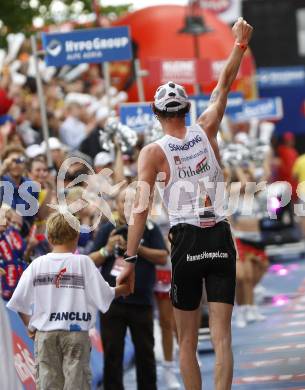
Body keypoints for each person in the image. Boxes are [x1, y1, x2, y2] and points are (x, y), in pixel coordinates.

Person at [118, 18, 253, 390]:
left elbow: (140, 209)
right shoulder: (206, 126)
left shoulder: (153, 152)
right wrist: (239, 45)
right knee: (223, 338)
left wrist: (129, 260)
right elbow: (223, 84)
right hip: (220, 236)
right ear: (186, 111)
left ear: (158, 115)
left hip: (187, 242)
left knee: (187, 342)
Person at [6, 211, 130, 390]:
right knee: (77, 385)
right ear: (77, 236)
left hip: (45, 334)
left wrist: (30, 327)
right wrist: (124, 289)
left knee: (48, 384)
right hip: (76, 335)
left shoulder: (37, 265)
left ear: (48, 237)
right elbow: (104, 295)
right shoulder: (83, 263)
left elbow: (18, 302)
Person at [90, 188, 168, 390]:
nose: (129, 206)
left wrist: (136, 248)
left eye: (134, 201)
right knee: (112, 354)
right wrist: (107, 248)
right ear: (117, 205)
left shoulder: (149, 228)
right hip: (112, 301)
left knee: (145, 353)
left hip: (141, 301)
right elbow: (89, 260)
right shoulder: (108, 229)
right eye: (124, 201)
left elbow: (162, 257)